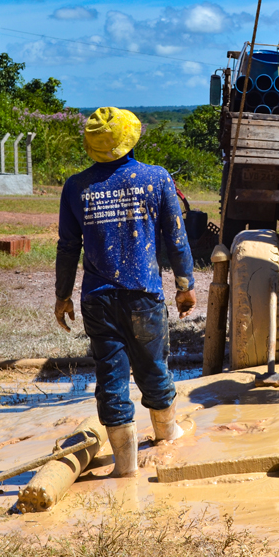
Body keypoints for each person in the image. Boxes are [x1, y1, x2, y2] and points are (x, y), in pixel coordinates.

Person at [54, 107, 198, 478]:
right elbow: (176, 239)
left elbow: (67, 246)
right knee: (154, 369)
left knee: (111, 377)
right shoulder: (156, 178)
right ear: (130, 138)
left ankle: (125, 468)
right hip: (144, 296)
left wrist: (62, 295)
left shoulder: (76, 187)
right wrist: (185, 286)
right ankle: (168, 437)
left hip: (97, 300)